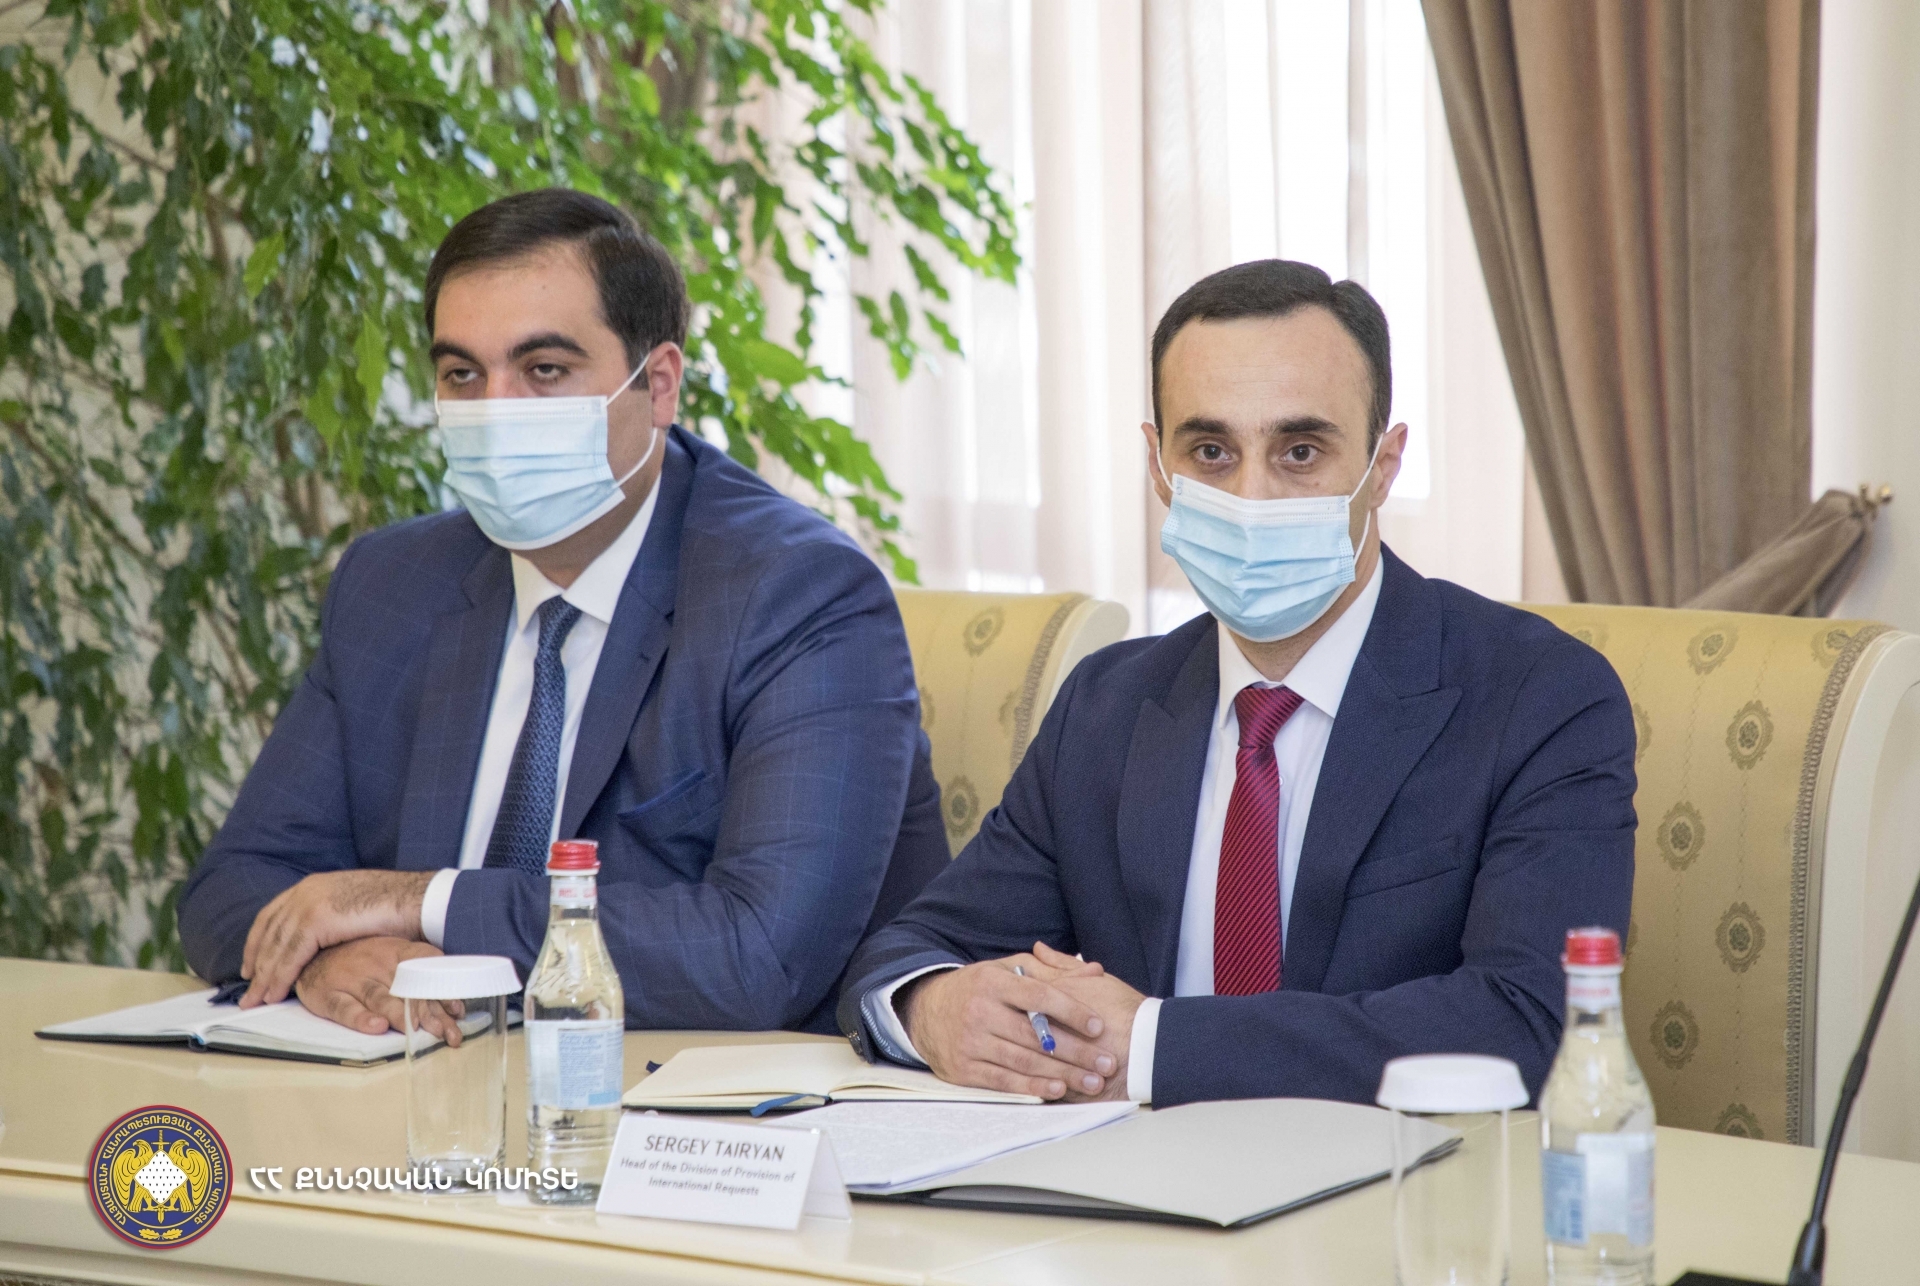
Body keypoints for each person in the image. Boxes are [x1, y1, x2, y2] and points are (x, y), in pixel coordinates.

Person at [838, 260, 1636, 1106]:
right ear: (1158, 467)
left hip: (1406, 1179)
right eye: (1211, 452)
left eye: (1301, 451)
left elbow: (1527, 1024)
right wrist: (934, 1008)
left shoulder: (1540, 699)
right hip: (1118, 1180)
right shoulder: (1105, 707)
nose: (1252, 496)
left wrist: (1152, 1044)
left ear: (1384, 464)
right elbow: (916, 948)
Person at [178, 188, 949, 1038]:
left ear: (659, 385)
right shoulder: (393, 583)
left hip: (698, 1104)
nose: (496, 409)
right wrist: (334, 958)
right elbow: (233, 886)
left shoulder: (798, 595)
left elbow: (755, 956)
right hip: (426, 1090)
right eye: (462, 375)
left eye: (544, 371)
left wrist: (415, 903)